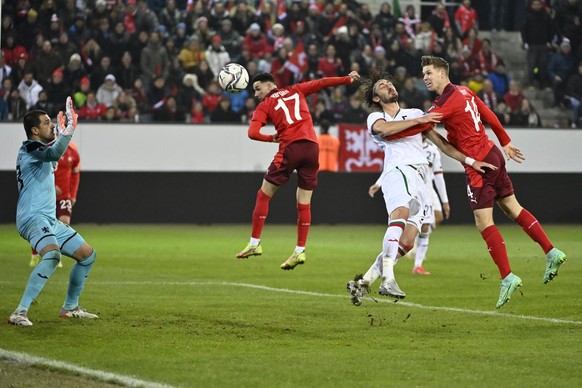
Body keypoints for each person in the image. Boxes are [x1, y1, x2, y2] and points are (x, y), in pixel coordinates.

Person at [420, 55, 567, 308]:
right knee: (513, 208)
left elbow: (423, 124)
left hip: (479, 164)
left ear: (443, 73)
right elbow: (488, 113)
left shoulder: (445, 103)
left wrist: (399, 120)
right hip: (493, 153)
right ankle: (552, 252)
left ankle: (507, 276)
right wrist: (505, 141)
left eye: (429, 72)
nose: (425, 77)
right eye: (423, 73)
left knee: (483, 222)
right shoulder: (464, 91)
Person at [346, 70, 493, 305]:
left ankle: (365, 281)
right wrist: (422, 120)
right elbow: (386, 131)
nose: (389, 87)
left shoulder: (414, 113)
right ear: (376, 98)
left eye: (389, 83)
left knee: (408, 241)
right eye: (382, 86)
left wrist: (471, 161)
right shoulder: (376, 117)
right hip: (399, 170)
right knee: (400, 215)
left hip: (421, 180)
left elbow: (442, 144)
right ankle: (388, 279)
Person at [236, 71, 361, 270]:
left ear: (270, 86)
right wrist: (346, 79)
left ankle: (254, 243)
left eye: (258, 89)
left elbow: (252, 133)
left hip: (290, 149)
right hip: (312, 148)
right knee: (304, 202)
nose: (256, 94)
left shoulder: (264, 105)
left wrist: (271, 138)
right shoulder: (296, 89)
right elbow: (322, 82)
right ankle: (300, 250)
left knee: (263, 195)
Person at [8, 97, 98, 327]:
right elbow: (53, 154)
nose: (51, 125)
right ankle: (20, 311)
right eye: (47, 122)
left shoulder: (39, 148)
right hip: (32, 217)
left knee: (87, 255)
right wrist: (68, 132)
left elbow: (52, 152)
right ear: (35, 130)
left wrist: (59, 134)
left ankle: (70, 307)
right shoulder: (29, 148)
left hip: (48, 219)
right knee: (52, 255)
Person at [368, 134, 451, 275]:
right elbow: (391, 165)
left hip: (428, 191)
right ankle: (410, 259)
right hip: (411, 189)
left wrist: (445, 201)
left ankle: (415, 260)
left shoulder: (432, 150)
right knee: (416, 223)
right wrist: (378, 183)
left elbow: (438, 175)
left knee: (432, 221)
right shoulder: (408, 145)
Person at [29, 141, 80, 268]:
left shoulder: (73, 154)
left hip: (64, 196)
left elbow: (75, 174)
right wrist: (50, 186)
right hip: (45, 196)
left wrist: (73, 194)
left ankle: (56, 256)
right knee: (41, 225)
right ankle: (35, 255)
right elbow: (36, 173)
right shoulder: (47, 151)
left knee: (64, 223)